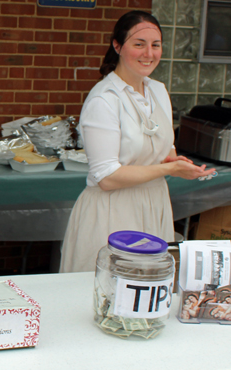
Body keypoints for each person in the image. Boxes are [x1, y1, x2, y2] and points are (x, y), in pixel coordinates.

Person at [60, 10, 216, 273]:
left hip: (154, 203)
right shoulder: (104, 100)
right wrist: (169, 169)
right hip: (113, 212)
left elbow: (166, 148)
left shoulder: (158, 90)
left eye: (155, 45)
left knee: (147, 294)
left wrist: (173, 160)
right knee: (108, 294)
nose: (149, 53)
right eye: (139, 44)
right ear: (118, 46)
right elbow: (106, 177)